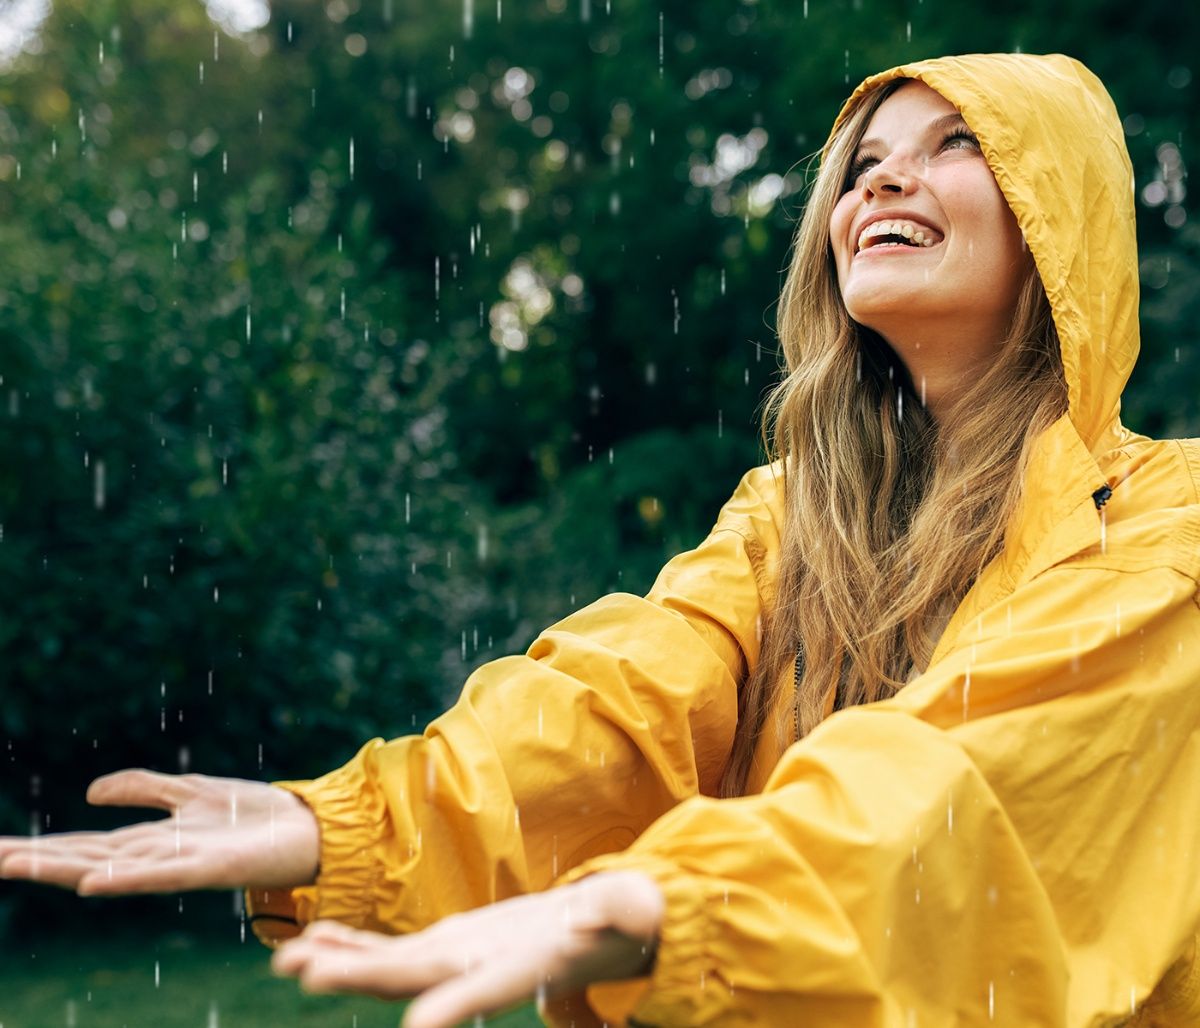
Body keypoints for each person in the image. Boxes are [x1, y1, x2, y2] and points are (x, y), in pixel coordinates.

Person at [2, 50, 1199, 1027]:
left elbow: (971, 787)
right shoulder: (792, 513)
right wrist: (350, 826)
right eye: (864, 163)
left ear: (1061, 212)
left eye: (956, 144)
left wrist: (677, 900)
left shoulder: (1169, 524)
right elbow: (622, 700)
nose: (881, 185)